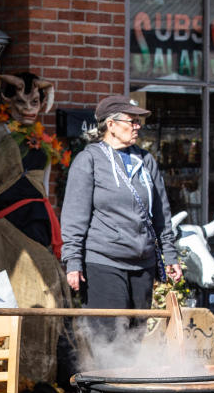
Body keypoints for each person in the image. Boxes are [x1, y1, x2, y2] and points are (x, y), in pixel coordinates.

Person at [0, 71, 70, 389]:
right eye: (21, 100)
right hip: (6, 223)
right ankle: (15, 376)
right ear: (9, 101)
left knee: (48, 293)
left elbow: (43, 186)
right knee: (21, 294)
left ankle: (40, 376)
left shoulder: (42, 138)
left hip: (38, 220)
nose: (29, 107)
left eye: (34, 100)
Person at [60, 94, 182, 313]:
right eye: (132, 121)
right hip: (103, 262)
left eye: (139, 122)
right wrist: (73, 261)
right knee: (108, 337)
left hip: (143, 264)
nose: (137, 126)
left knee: (136, 337)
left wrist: (170, 254)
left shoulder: (146, 161)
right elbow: (74, 218)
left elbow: (161, 213)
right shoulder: (89, 160)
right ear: (111, 124)